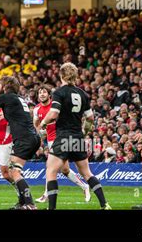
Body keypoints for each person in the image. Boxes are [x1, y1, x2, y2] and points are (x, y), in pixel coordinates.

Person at [41, 63, 111, 210]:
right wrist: (84, 132)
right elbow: (90, 118)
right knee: (87, 173)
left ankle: (51, 208)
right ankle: (104, 204)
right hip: (78, 137)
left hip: (64, 136)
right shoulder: (83, 94)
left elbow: (53, 114)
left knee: (51, 170)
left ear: (61, 75)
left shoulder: (59, 92)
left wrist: (42, 122)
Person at [0, 76, 41, 210]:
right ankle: (22, 202)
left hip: (23, 138)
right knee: (14, 171)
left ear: (6, 86)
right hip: (33, 137)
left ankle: (29, 203)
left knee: (14, 172)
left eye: (1, 84)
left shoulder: (6, 97)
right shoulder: (18, 99)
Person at [33, 85, 91, 203]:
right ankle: (84, 187)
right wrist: (40, 133)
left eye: (44, 92)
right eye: (40, 93)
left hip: (61, 138)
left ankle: (46, 194)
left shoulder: (56, 105)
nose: (42, 94)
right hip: (50, 139)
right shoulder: (36, 109)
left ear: (49, 95)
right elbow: (36, 124)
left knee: (50, 168)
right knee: (64, 170)